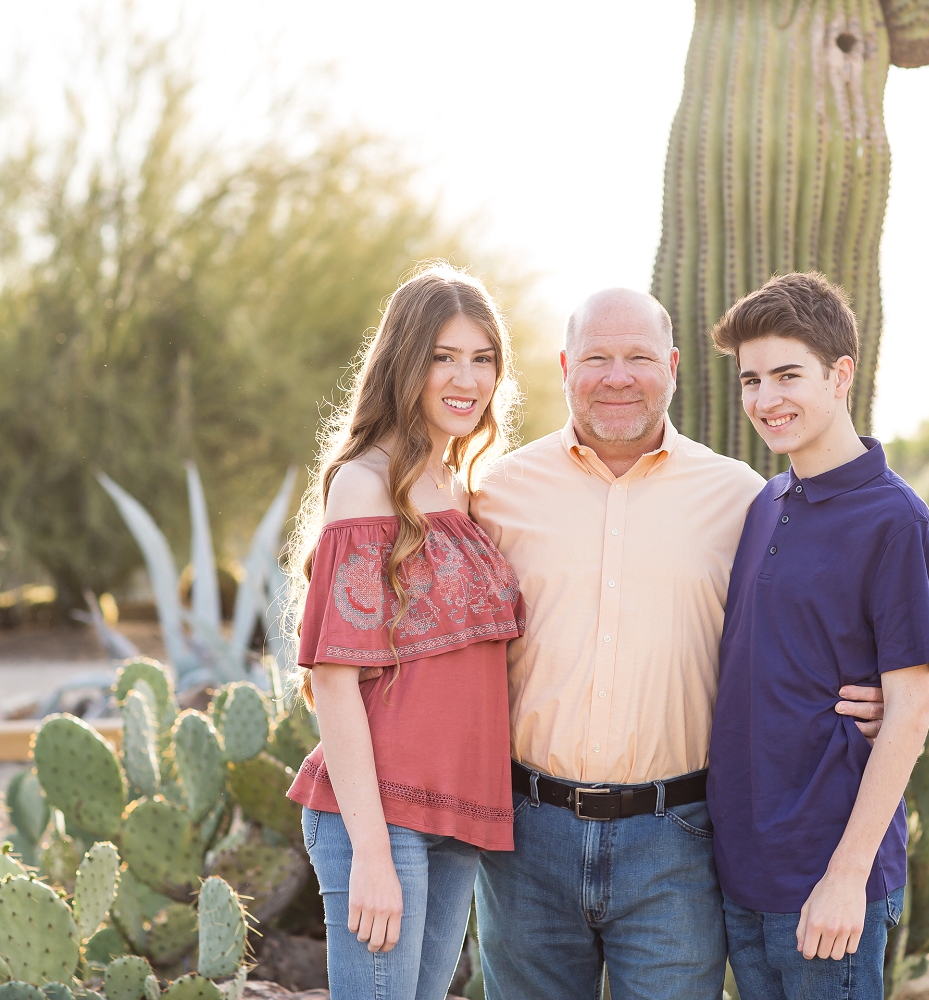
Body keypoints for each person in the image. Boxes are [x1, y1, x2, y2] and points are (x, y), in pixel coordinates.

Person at [468, 286, 888, 1000]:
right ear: (567, 365)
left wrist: (874, 698)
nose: (618, 376)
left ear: (672, 365)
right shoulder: (497, 492)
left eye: (638, 357)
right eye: (597, 358)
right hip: (526, 840)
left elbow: (794, 632)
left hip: (677, 841)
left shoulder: (741, 498)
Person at [284, 263, 525, 1000]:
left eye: (483, 359)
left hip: (459, 816)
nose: (467, 378)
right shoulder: (366, 483)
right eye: (444, 357)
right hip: (380, 821)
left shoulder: (463, 487)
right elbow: (334, 682)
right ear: (404, 363)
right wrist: (372, 855)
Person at [707, 272, 929, 1000]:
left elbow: (910, 706)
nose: (765, 399)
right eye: (751, 380)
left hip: (828, 879)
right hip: (745, 870)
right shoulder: (766, 502)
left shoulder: (895, 520)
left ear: (841, 375)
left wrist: (845, 879)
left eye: (787, 375)